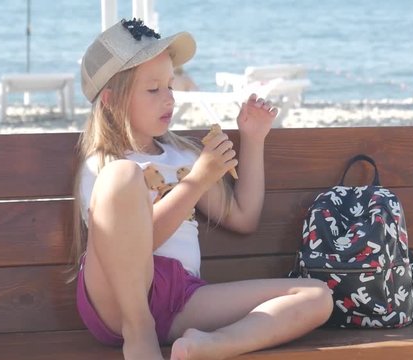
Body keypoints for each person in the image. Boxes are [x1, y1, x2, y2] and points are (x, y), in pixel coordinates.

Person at [71, 18, 332, 360]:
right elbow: (133, 246)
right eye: (153, 90)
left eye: (171, 86)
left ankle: (212, 345)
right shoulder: (102, 165)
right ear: (110, 100)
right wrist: (196, 181)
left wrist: (253, 140)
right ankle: (139, 329)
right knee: (124, 176)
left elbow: (244, 218)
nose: (169, 99)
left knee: (316, 297)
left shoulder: (186, 154)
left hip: (181, 298)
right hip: (114, 298)